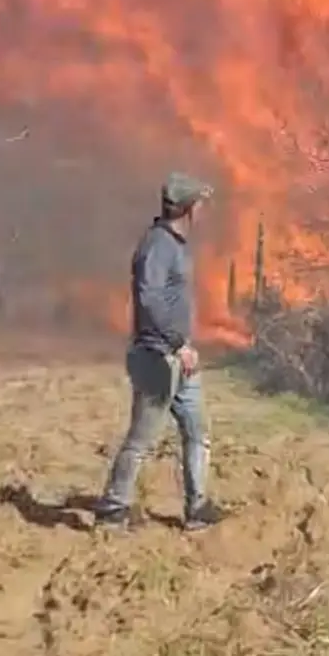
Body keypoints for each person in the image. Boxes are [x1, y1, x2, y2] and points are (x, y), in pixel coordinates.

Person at [94, 172, 226, 532]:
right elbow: (149, 298)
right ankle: (113, 508)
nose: (204, 209)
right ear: (188, 208)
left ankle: (197, 508)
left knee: (198, 432)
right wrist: (177, 343)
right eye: (200, 203)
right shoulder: (157, 246)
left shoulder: (176, 244)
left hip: (180, 357)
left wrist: (184, 345)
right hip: (158, 357)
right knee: (141, 439)